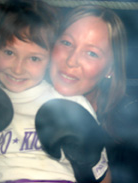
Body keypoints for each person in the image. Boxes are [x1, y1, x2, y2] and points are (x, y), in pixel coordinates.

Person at [0, 1, 109, 183]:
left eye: (34, 58)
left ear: (50, 58)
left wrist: (88, 161)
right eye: (9, 53)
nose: (18, 69)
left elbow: (103, 180)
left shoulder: (71, 104)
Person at [48, 4, 128, 183]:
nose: (71, 61)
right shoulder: (19, 103)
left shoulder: (127, 128)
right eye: (67, 43)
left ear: (110, 69)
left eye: (91, 53)